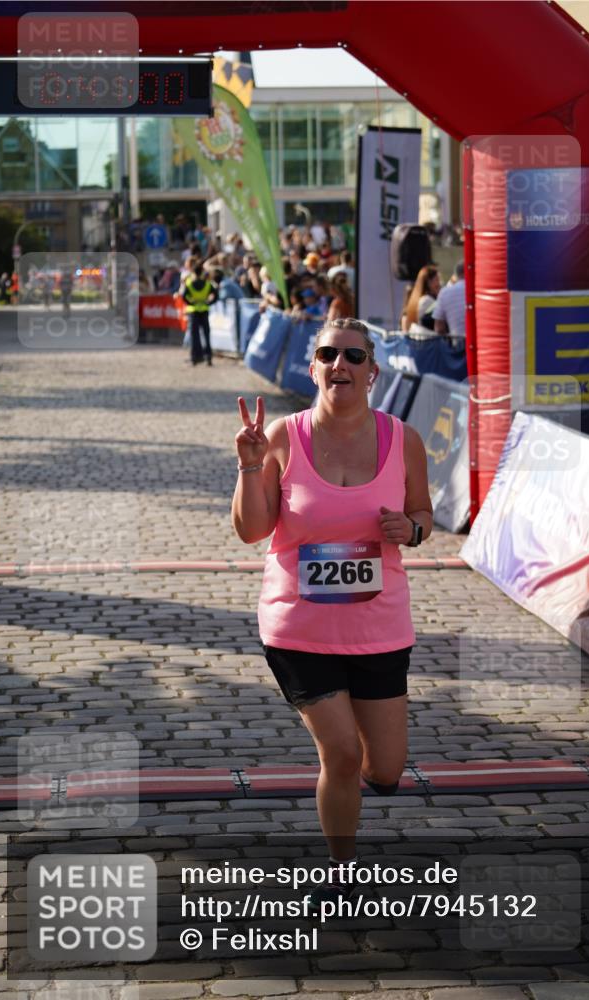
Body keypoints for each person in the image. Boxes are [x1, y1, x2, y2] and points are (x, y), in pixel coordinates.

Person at [232, 318, 433, 907]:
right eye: (328, 354)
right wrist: (248, 465)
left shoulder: (404, 439)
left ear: (373, 370)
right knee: (341, 755)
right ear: (313, 367)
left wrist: (411, 528)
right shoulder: (282, 438)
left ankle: (367, 783)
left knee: (386, 768)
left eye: (353, 355)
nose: (339, 364)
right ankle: (343, 868)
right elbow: (251, 531)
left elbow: (423, 514)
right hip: (299, 625)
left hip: (379, 627)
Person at [182, 262, 217, 366]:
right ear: (202, 272)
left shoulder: (189, 284)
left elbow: (184, 297)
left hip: (193, 312)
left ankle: (194, 358)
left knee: (194, 336)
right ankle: (208, 358)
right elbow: (216, 295)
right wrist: (209, 302)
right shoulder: (207, 284)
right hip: (204, 311)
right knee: (206, 335)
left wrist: (191, 302)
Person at [434, 260, 466, 344]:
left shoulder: (444, 292)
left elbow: (439, 327)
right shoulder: (481, 291)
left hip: (457, 346)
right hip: (482, 348)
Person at [402, 265, 441, 333]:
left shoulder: (418, 300)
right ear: (429, 282)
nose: (439, 284)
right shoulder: (427, 301)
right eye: (437, 280)